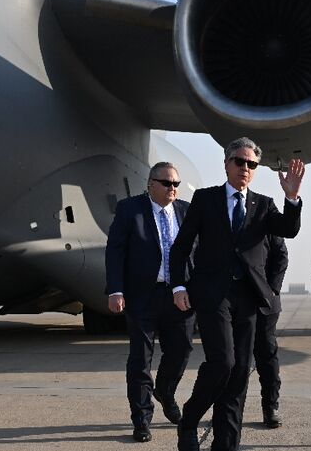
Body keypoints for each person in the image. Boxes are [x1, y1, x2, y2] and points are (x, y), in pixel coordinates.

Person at [169, 137, 304, 451]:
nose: (245, 168)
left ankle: (226, 443)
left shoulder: (264, 204)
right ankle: (190, 419)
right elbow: (181, 248)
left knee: (240, 372)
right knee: (224, 362)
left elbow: (289, 229)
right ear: (227, 163)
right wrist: (178, 286)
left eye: (252, 164)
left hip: (249, 298)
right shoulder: (205, 200)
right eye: (240, 162)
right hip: (212, 295)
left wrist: (292, 197)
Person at [104, 162, 196, 443]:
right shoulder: (130, 209)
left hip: (179, 295)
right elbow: (115, 250)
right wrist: (115, 290)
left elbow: (199, 251)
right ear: (151, 184)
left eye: (176, 184)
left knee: (181, 351)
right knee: (140, 360)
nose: (173, 189)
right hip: (142, 296)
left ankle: (165, 391)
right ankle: (142, 419)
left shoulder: (186, 211)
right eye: (167, 183)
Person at [253, 234, 288, 428]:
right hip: (233, 301)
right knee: (231, 360)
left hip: (266, 300)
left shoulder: (265, 213)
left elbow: (281, 254)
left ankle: (270, 407)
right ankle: (229, 410)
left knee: (267, 354)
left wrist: (272, 289)